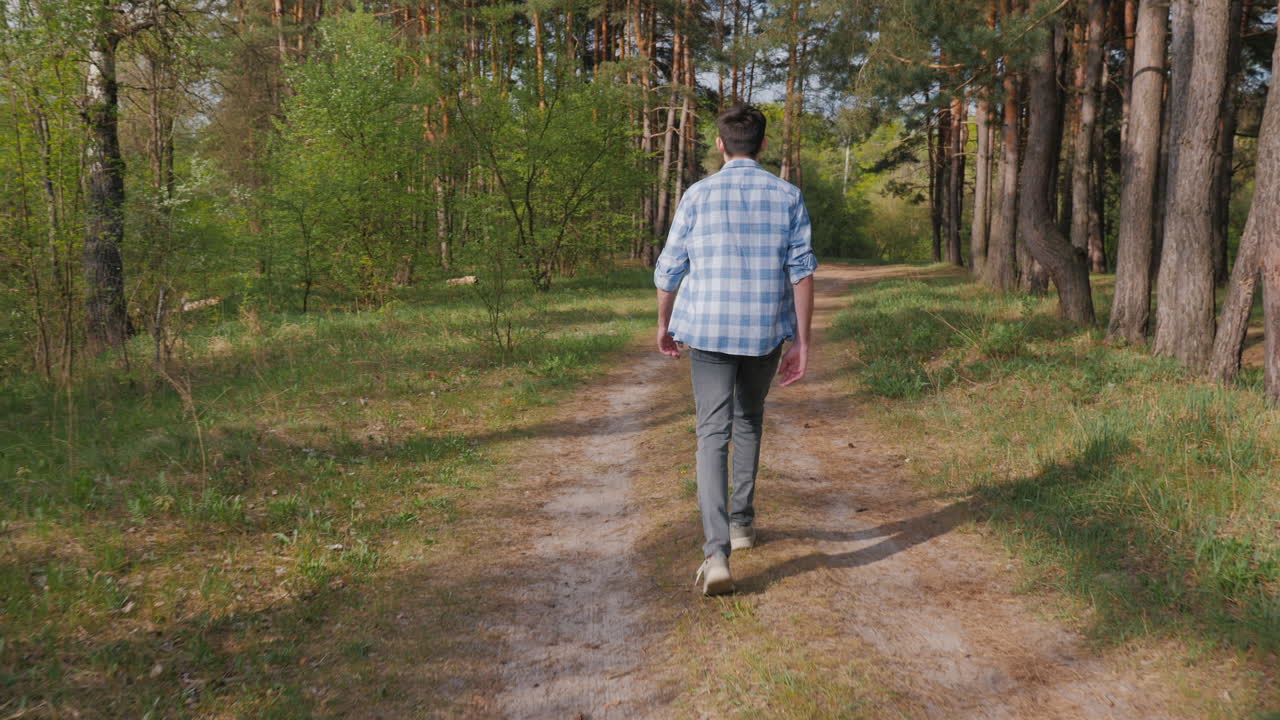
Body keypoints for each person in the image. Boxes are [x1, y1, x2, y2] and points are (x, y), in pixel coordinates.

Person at [653, 103, 817, 596]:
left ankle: (717, 553)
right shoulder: (788, 195)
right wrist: (804, 341)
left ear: (720, 145)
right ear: (763, 145)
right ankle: (742, 525)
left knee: (711, 434)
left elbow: (669, 267)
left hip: (707, 330)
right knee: (749, 420)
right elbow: (802, 271)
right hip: (764, 330)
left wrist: (663, 323)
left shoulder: (698, 195)